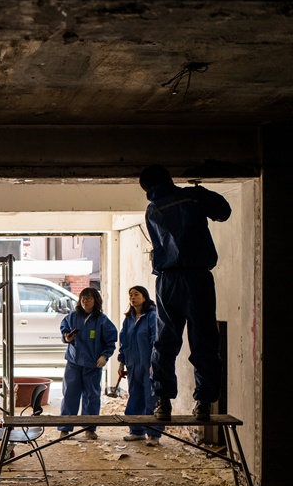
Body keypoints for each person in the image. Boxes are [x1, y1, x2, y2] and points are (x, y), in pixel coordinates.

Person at [139, 164, 231, 422]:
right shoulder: (191, 197)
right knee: (204, 340)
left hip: (167, 280)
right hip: (197, 277)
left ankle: (163, 402)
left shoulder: (151, 210)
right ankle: (203, 403)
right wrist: (201, 191)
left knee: (165, 342)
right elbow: (224, 212)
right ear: (168, 178)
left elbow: (159, 245)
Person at [58, 287, 117, 441]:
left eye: (89, 298)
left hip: (93, 365)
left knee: (91, 397)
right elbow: (64, 331)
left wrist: (105, 356)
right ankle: (65, 428)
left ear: (96, 301)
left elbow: (111, 341)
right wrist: (67, 338)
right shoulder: (72, 317)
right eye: (83, 298)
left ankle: (90, 429)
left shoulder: (102, 320)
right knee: (70, 395)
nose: (85, 301)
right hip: (74, 363)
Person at [117, 285, 163, 445]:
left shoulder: (152, 316)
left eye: (136, 294)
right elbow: (123, 341)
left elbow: (155, 339)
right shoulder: (128, 319)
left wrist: (154, 362)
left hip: (148, 364)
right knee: (135, 398)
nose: (132, 297)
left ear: (144, 297)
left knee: (151, 398)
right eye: (130, 295)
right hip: (132, 365)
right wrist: (121, 361)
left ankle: (154, 435)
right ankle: (136, 431)